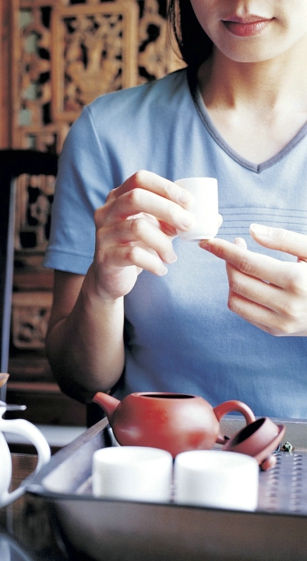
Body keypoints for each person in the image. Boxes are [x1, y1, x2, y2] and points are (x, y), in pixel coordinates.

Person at [43, 0, 307, 419]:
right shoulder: (108, 132)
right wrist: (102, 290)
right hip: (158, 460)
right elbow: (79, 381)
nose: (243, 5)